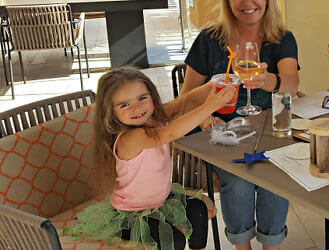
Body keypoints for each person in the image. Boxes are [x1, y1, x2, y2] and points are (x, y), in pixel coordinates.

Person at [179, 0, 299, 249]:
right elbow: (186, 97)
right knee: (238, 181)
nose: (248, 2)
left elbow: (291, 85)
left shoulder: (281, 39)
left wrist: (267, 80)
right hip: (223, 136)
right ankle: (241, 246)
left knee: (274, 178)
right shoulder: (210, 39)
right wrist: (206, 117)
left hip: (270, 132)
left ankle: (272, 245)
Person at [70, 67, 237, 250]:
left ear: (152, 95)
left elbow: (183, 103)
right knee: (174, 240)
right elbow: (170, 133)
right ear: (110, 111)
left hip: (161, 201)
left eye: (142, 98)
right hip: (132, 214)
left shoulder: (153, 118)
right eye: (124, 105)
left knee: (198, 210)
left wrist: (215, 84)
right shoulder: (128, 138)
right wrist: (209, 106)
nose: (137, 107)